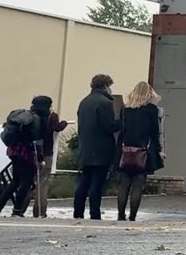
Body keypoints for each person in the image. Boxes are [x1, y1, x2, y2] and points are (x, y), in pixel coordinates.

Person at [74, 74, 120, 220]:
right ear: (105, 86)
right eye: (110, 86)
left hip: (85, 149)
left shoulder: (84, 102)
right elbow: (109, 126)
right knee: (97, 183)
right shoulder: (104, 103)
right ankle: (95, 213)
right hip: (100, 150)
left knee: (84, 182)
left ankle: (78, 212)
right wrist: (123, 121)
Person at [116, 81, 164, 222]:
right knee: (138, 184)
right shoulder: (151, 109)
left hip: (125, 151)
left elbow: (122, 130)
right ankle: (132, 216)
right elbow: (155, 132)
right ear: (148, 93)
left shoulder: (125, 109)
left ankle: (120, 215)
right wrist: (159, 150)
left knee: (124, 184)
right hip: (142, 151)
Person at [0, 101, 49, 218]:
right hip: (26, 152)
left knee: (15, 181)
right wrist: (40, 156)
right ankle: (17, 210)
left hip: (13, 150)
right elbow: (37, 139)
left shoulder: (22, 116)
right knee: (26, 181)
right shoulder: (37, 119)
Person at [29, 96, 68, 218]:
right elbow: (57, 127)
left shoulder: (30, 116)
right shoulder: (51, 116)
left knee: (28, 181)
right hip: (46, 153)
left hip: (30, 153)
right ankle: (40, 210)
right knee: (43, 182)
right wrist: (64, 123)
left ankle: (19, 209)